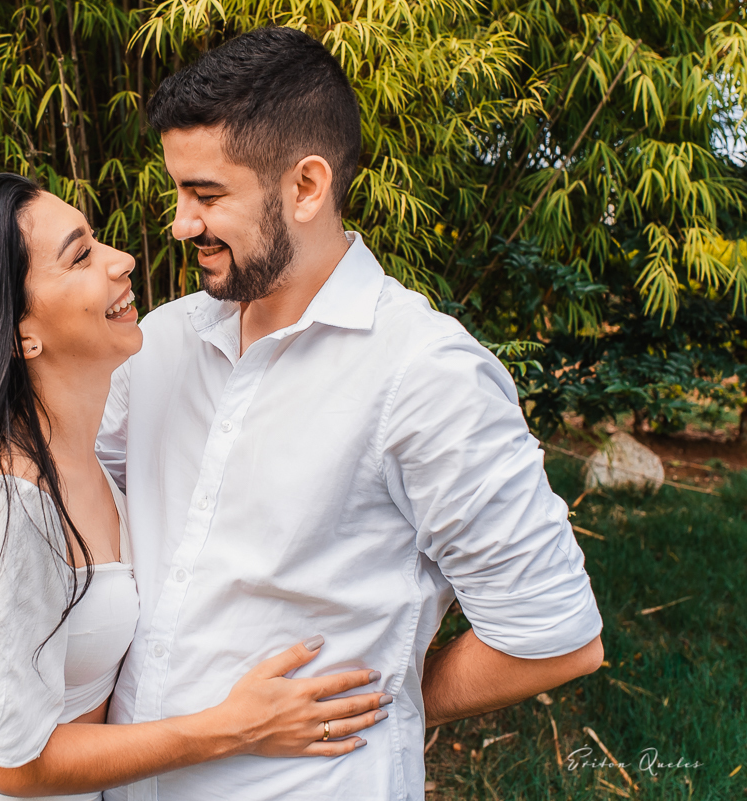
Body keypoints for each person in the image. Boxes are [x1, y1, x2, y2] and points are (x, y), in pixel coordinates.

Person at [93, 27, 606, 801]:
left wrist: (380, 710)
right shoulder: (157, 342)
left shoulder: (426, 375)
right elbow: (77, 519)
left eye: (205, 195)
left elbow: (554, 635)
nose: (178, 224)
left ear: (306, 187)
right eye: (177, 192)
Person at [0, 172, 390, 801]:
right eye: (81, 256)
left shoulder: (88, 456)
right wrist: (234, 728)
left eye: (98, 242)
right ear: (19, 333)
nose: (122, 260)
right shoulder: (9, 502)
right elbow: (16, 768)